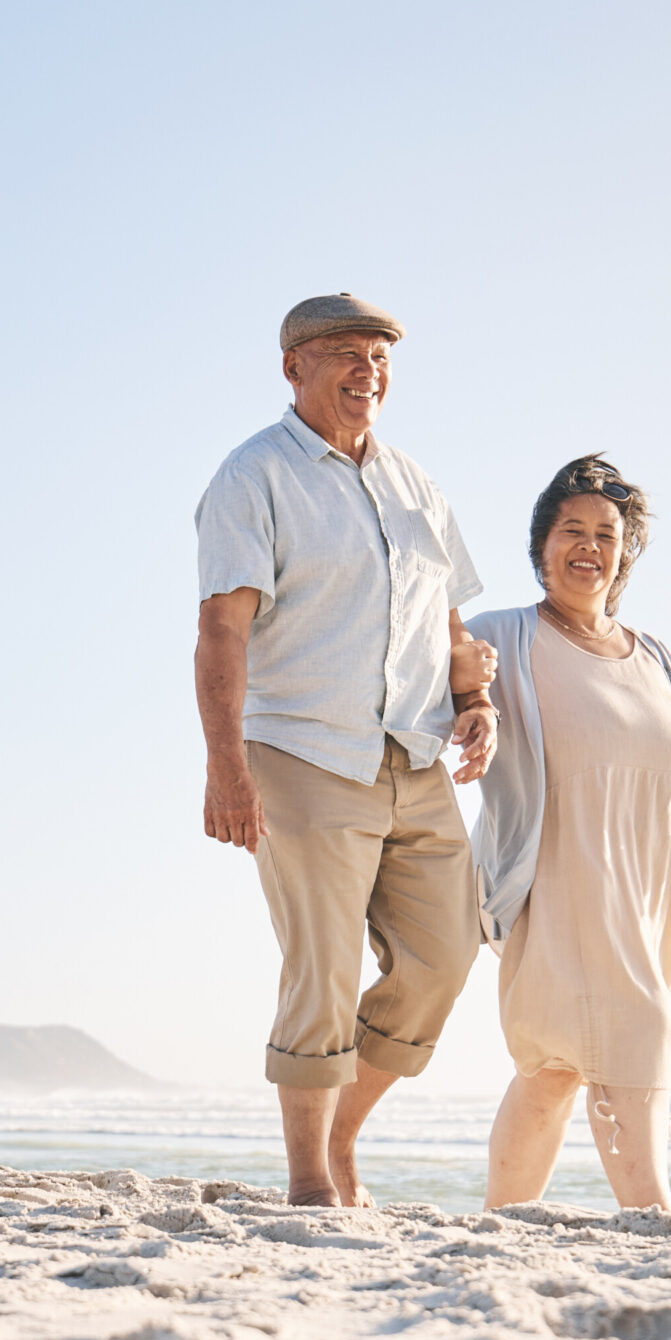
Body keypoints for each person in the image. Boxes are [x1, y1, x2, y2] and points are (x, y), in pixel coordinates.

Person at [193, 293, 500, 1207]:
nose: (368, 371)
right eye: (344, 354)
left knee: (444, 955)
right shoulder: (253, 477)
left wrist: (473, 695)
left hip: (413, 751)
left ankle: (342, 1131)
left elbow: (444, 615)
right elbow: (221, 630)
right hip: (303, 753)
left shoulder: (417, 482)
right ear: (294, 367)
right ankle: (309, 1182)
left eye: (380, 357)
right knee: (320, 972)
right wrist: (226, 767)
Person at [471, 455, 671, 1212]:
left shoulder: (657, 658)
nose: (588, 546)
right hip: (562, 888)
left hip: (653, 898)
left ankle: (502, 1222)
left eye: (606, 534)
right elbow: (429, 693)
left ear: (626, 553)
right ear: (541, 545)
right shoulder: (502, 638)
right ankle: (654, 1220)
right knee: (630, 1047)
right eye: (571, 530)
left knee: (553, 1070)